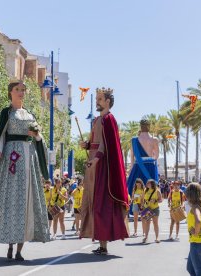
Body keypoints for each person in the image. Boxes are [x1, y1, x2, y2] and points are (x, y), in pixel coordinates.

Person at [0, 81, 50, 261]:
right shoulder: (7, 113)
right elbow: (0, 134)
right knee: (12, 198)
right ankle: (10, 244)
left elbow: (39, 137)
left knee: (27, 199)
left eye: (23, 90)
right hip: (12, 156)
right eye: (17, 90)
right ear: (10, 93)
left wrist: (36, 135)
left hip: (29, 157)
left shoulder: (30, 114)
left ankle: (20, 249)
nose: (21, 93)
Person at [79, 87, 129, 255]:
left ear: (107, 102)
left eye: (100, 99)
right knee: (94, 204)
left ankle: (103, 245)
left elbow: (105, 145)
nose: (97, 102)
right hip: (94, 166)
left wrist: (96, 159)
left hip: (103, 169)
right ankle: (101, 244)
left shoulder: (109, 119)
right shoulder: (97, 120)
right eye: (97, 99)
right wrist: (86, 145)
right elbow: (95, 142)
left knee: (102, 205)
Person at [127, 118, 159, 197]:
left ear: (140, 127)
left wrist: (131, 167)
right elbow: (156, 156)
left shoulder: (134, 140)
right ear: (149, 126)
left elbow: (132, 155)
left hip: (137, 166)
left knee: (134, 190)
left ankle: (136, 207)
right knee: (151, 189)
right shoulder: (154, 139)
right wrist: (150, 159)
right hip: (150, 166)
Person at [185, 183, 201, 276]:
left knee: (199, 271)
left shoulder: (195, 207)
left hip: (197, 242)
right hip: (199, 242)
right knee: (190, 268)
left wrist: (196, 231)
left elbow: (198, 221)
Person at [142, 179, 163, 243]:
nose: (147, 184)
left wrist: (155, 201)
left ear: (152, 184)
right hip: (147, 209)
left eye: (149, 183)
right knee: (147, 223)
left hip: (155, 208)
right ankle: (146, 237)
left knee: (155, 223)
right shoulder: (145, 190)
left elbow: (161, 200)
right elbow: (142, 199)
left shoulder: (157, 191)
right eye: (147, 183)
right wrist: (142, 206)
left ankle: (157, 238)